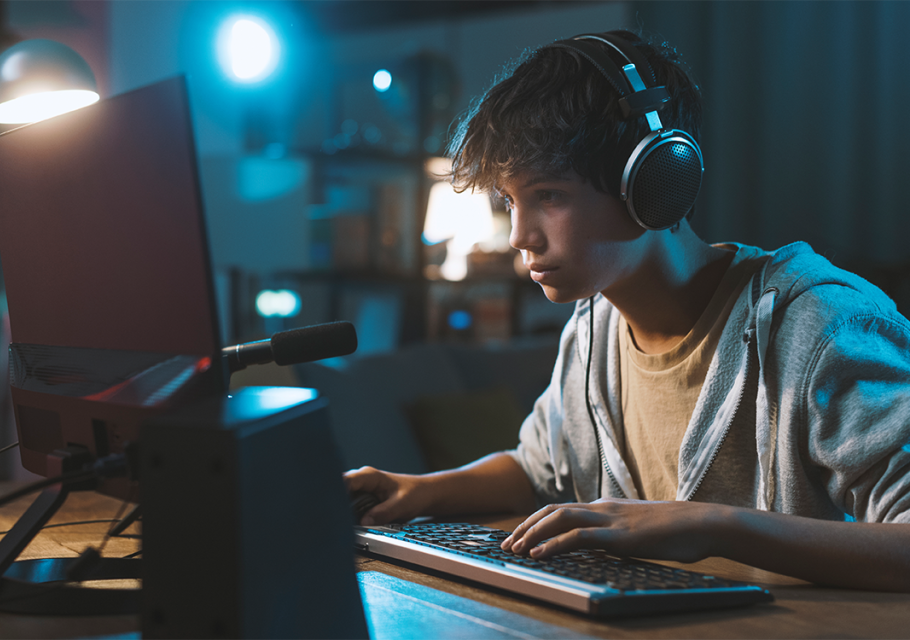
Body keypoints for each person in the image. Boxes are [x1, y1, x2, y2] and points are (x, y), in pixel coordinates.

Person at [344, 30, 910, 591]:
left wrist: (715, 526)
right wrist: (419, 490)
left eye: (549, 196)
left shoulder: (820, 326)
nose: (519, 235)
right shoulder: (593, 328)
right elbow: (541, 470)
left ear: (656, 179)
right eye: (511, 200)